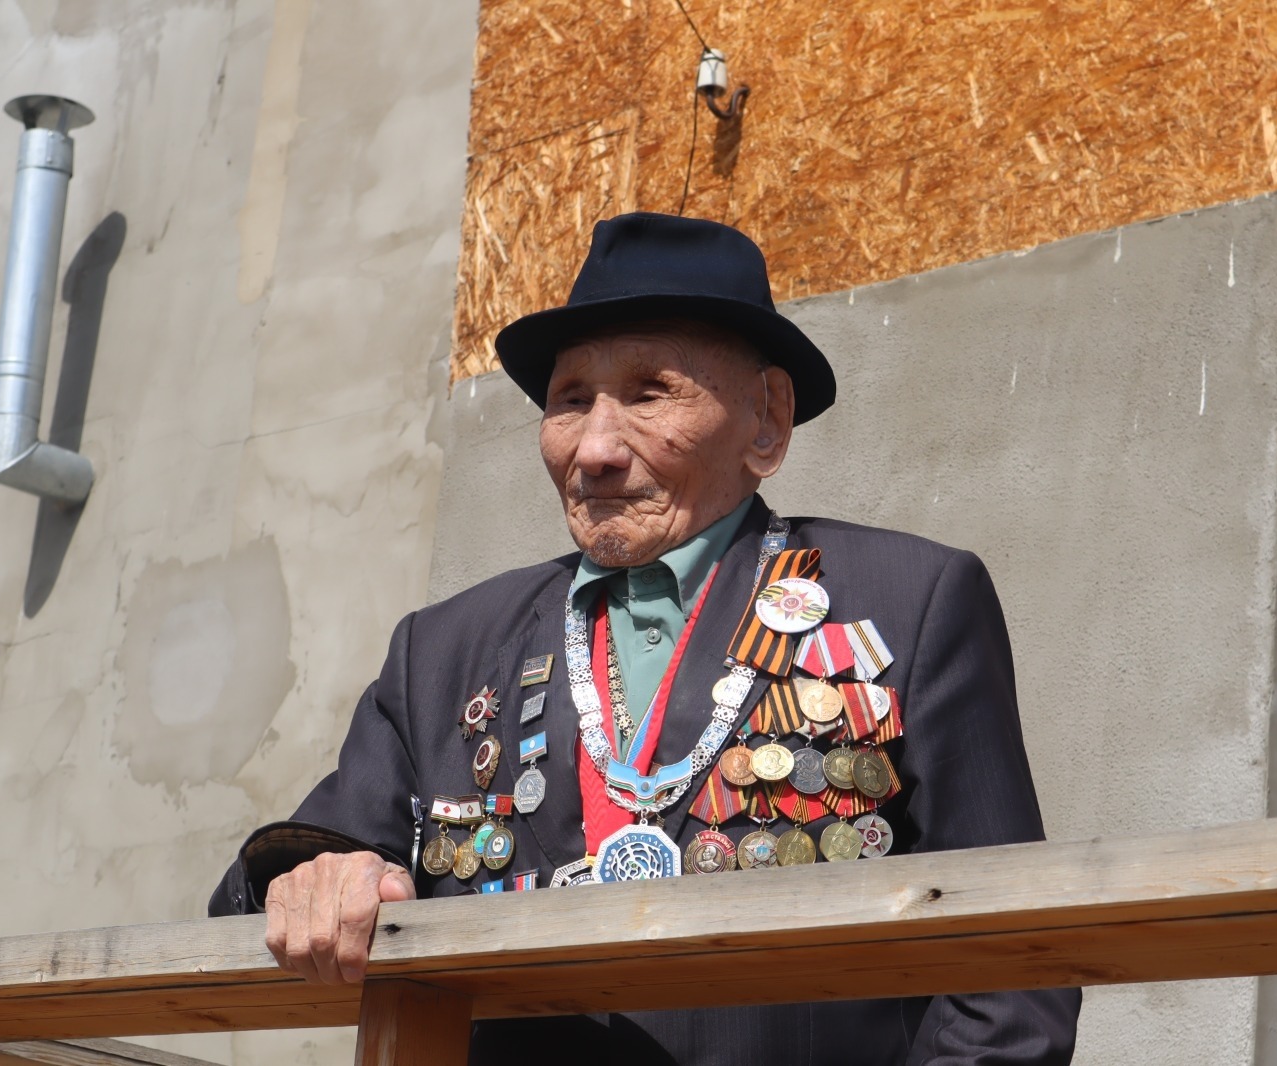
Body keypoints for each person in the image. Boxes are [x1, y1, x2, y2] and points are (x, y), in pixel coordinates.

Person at [209, 211, 1080, 1064]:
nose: (594, 448)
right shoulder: (444, 651)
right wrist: (323, 878)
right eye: (570, 400)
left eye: (648, 393)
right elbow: (269, 894)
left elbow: (1012, 976)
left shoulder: (905, 603)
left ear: (767, 420)